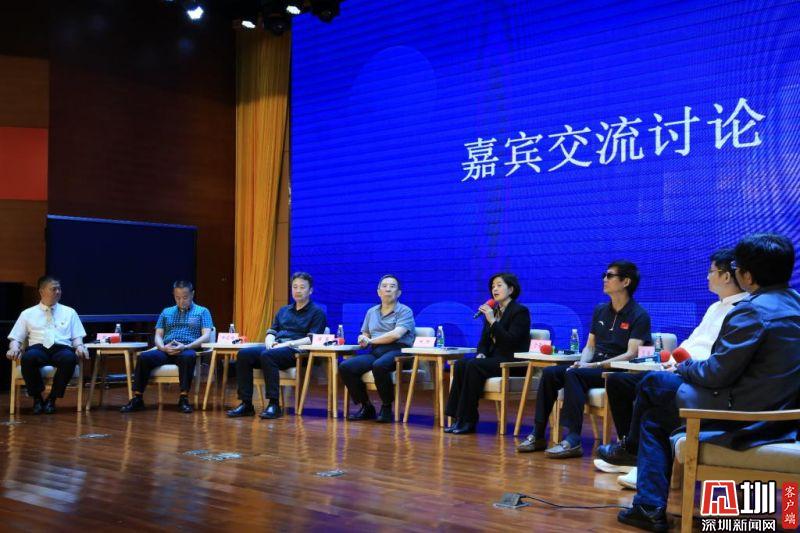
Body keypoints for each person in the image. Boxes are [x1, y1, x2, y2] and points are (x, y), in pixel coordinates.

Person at [618, 233, 800, 532]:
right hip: (785, 413)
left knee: (653, 390)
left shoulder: (751, 311)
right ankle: (636, 468)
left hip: (745, 414)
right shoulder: (795, 305)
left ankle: (644, 495)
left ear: (747, 275)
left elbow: (716, 374)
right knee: (655, 402)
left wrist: (685, 366)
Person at [596, 248, 747, 486]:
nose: (707, 276)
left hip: (698, 377)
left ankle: (634, 452)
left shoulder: (742, 310)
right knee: (618, 380)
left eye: (711, 271)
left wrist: (680, 366)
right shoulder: (714, 307)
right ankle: (627, 448)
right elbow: (691, 342)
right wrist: (671, 361)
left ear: (727, 276)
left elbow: (714, 357)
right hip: (681, 368)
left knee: (651, 386)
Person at [518, 260, 651, 458]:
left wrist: (593, 365)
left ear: (626, 282)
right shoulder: (600, 310)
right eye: (604, 275)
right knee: (550, 373)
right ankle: (537, 434)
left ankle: (573, 439)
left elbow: (631, 353)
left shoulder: (639, 315)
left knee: (575, 375)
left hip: (615, 369)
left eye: (610, 275)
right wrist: (583, 362)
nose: (604, 279)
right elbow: (590, 346)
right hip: (593, 366)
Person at [227, 272, 326, 419]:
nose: (298, 290)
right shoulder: (284, 310)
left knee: (268, 356)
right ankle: (246, 403)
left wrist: (287, 344)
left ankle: (274, 404)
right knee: (244, 354)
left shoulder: (317, 312)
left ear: (310, 290)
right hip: (276, 347)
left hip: (296, 350)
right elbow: (272, 331)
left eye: (302, 287)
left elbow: (312, 339)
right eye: (295, 287)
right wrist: (269, 342)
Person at [444, 272, 531, 435]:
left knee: (473, 366)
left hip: (511, 362)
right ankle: (457, 418)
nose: (494, 289)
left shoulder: (520, 312)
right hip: (493, 360)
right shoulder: (493, 311)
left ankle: (469, 420)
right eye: (492, 286)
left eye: (499, 285)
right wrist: (481, 353)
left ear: (511, 289)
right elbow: (484, 341)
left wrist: (492, 321)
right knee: (462, 364)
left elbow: (510, 341)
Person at [120, 280, 213, 414]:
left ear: (192, 294)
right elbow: (158, 335)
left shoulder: (202, 311)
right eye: (177, 298)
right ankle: (137, 398)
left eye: (185, 297)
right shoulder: (166, 312)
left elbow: (206, 336)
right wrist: (162, 347)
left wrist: (186, 346)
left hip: (187, 348)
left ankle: (183, 398)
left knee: (188, 357)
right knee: (144, 357)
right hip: (166, 349)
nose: (181, 301)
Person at [6, 276, 89, 414]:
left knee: (69, 358)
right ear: (42, 291)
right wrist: (14, 348)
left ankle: (52, 398)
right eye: (53, 289)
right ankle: (37, 398)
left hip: (61, 348)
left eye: (59, 289)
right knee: (28, 358)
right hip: (38, 348)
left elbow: (77, 337)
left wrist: (80, 346)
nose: (58, 292)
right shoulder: (27, 314)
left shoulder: (70, 312)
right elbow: (16, 338)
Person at [339, 274, 415, 423]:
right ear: (378, 292)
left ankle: (386, 407)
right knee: (346, 367)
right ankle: (366, 406)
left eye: (392, 286)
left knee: (379, 365)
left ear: (399, 293)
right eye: (384, 286)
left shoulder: (405, 311)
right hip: (377, 351)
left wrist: (370, 340)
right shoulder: (371, 312)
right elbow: (365, 333)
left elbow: (395, 335)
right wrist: (363, 338)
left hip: (399, 351)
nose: (388, 289)